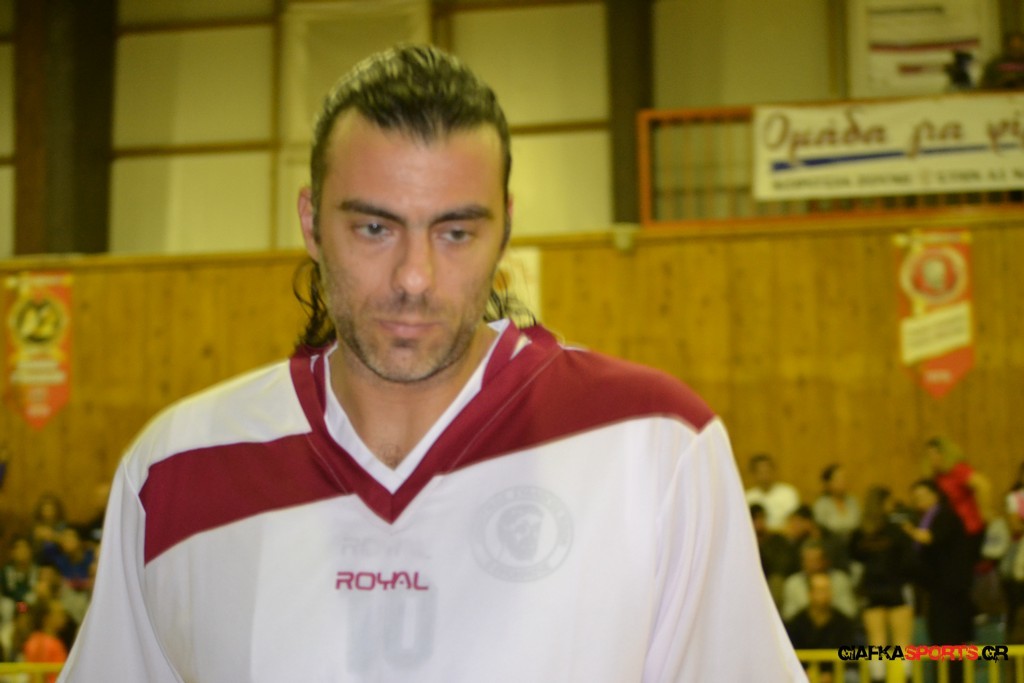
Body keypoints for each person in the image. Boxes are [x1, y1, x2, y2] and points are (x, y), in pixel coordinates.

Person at [59, 45, 802, 682]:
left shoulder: (654, 445)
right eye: (374, 228)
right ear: (312, 222)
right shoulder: (177, 470)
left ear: (504, 229)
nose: (414, 277)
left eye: (455, 232)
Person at [903, 479, 974, 683]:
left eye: (922, 495)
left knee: (950, 644)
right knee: (939, 642)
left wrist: (907, 530)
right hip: (937, 593)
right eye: (915, 497)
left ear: (935, 495)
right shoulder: (926, 519)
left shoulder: (945, 516)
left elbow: (930, 539)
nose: (918, 500)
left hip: (951, 595)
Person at [849, 486, 914, 683]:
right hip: (896, 586)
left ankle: (878, 678)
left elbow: (854, 556)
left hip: (871, 588)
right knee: (902, 642)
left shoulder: (860, 533)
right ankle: (904, 678)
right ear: (884, 504)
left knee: (876, 642)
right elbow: (908, 560)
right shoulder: (896, 531)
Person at [923, 435, 990, 563]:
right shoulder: (938, 476)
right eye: (929, 454)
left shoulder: (958, 470)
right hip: (951, 529)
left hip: (968, 527)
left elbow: (983, 485)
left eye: (936, 453)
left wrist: (984, 512)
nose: (932, 458)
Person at [785, 572, 856, 683]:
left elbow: (849, 655)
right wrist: (804, 673)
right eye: (820, 590)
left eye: (827, 589)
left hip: (837, 675)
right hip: (804, 675)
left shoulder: (843, 622)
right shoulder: (796, 623)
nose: (824, 594)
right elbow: (791, 654)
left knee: (852, 677)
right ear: (810, 593)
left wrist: (832, 674)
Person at [780, 539, 857, 622]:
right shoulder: (792, 583)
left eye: (816, 560)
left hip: (836, 626)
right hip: (802, 627)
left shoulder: (840, 580)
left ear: (826, 561)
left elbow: (849, 612)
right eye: (808, 561)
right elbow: (789, 615)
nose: (813, 565)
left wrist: (824, 607)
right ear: (802, 562)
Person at [745, 452, 801, 532]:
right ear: (753, 474)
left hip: (784, 535)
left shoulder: (788, 493)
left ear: (773, 471)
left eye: (767, 471)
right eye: (760, 472)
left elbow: (795, 521)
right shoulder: (748, 497)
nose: (764, 475)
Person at [812, 463, 860, 542]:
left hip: (853, 543)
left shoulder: (852, 501)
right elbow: (821, 530)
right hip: (830, 543)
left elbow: (857, 525)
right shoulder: (821, 505)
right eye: (839, 479)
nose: (843, 482)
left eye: (844, 478)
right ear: (828, 483)